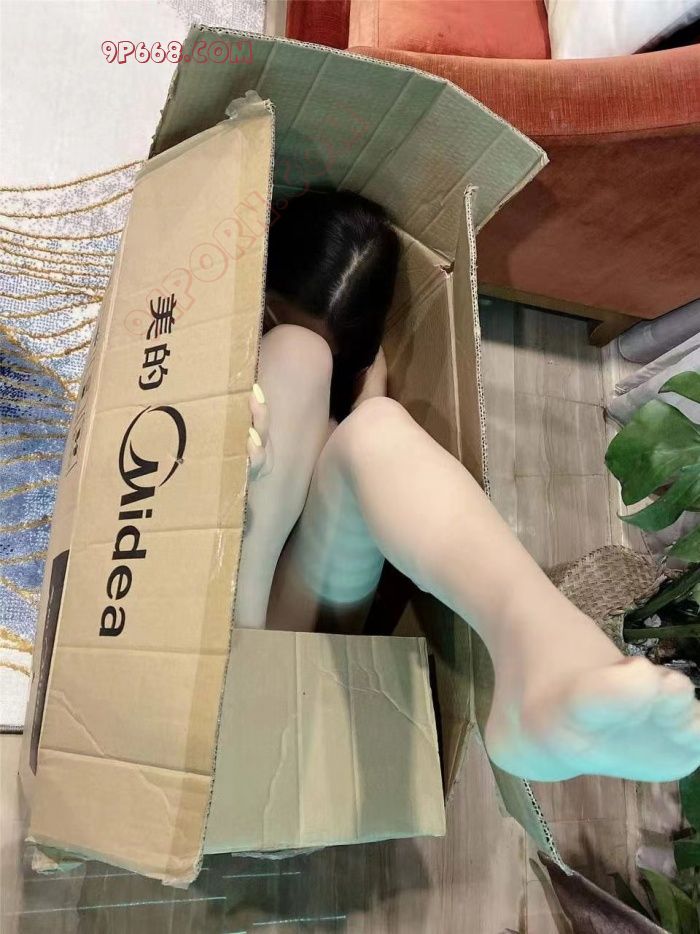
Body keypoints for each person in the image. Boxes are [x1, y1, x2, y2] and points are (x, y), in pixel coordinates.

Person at [234, 189, 700, 784]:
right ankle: (239, 622)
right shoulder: (308, 363)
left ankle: (549, 657)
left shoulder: (341, 378)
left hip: (280, 622)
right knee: (311, 370)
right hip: (256, 604)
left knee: (368, 422)